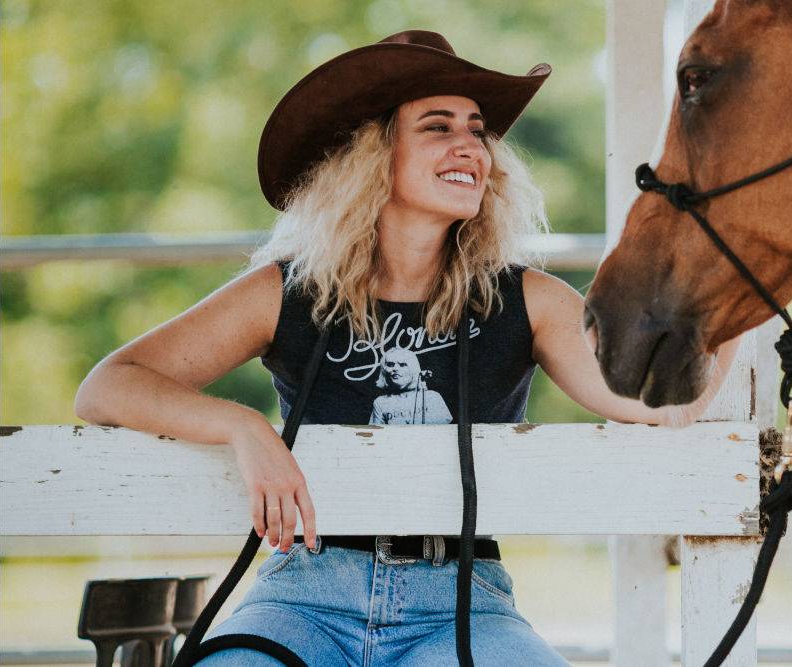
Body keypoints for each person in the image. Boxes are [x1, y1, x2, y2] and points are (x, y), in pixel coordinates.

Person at [75, 30, 741, 666]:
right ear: (373, 154)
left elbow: (663, 404)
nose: (471, 147)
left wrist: (744, 274)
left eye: (477, 130)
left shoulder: (525, 299)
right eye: (438, 127)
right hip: (303, 598)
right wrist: (242, 427)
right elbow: (109, 384)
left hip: (460, 605)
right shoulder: (290, 293)